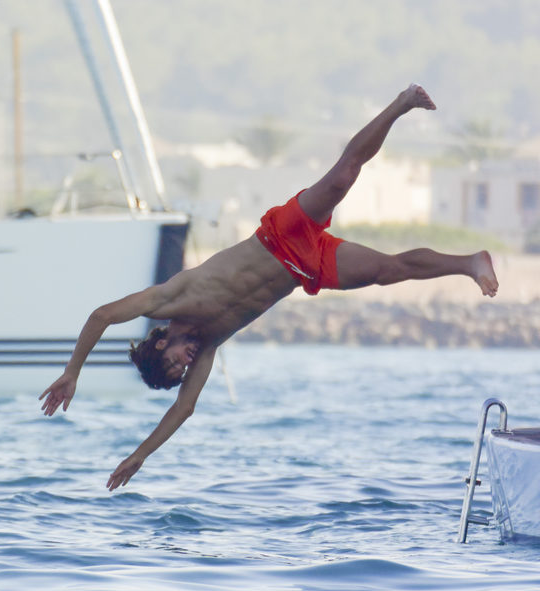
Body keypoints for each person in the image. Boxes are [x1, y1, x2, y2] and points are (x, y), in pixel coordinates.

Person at [39, 84, 499, 491]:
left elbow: (101, 315)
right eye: (185, 370)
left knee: (342, 176)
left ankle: (401, 104)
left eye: (177, 362)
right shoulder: (210, 342)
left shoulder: (167, 299)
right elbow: (183, 410)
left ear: (161, 340)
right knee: (388, 270)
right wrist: (140, 454)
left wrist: (72, 371)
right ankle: (469, 263)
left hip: (280, 235)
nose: (188, 363)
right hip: (306, 269)